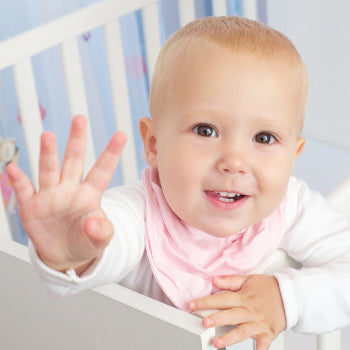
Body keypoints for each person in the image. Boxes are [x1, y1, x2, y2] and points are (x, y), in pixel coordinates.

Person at [6, 16, 350, 350]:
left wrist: (287, 298)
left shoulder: (293, 206)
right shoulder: (139, 212)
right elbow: (110, 234)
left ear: (294, 154)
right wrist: (77, 251)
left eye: (264, 137)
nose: (234, 161)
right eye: (205, 130)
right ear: (154, 144)